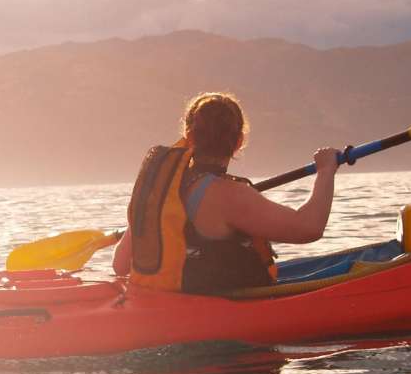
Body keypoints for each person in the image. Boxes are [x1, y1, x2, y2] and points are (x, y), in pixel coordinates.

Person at [113, 92, 340, 294]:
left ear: (189, 137)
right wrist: (326, 170)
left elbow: (120, 264)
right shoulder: (230, 195)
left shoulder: (159, 190)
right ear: (239, 141)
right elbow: (309, 228)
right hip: (221, 319)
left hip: (167, 306)